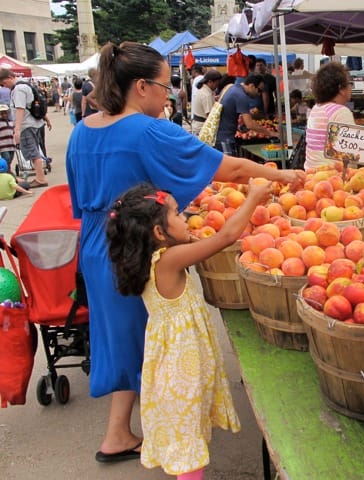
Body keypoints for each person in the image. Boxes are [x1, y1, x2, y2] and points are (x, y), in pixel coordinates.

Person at [65, 41, 305, 465]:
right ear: (141, 87)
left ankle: (118, 432)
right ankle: (168, 432)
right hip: (138, 247)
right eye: (164, 84)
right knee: (155, 341)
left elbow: (79, 198)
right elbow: (225, 167)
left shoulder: (83, 130)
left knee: (122, 336)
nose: (168, 93)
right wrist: (280, 174)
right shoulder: (147, 129)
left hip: (96, 243)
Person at [106, 181, 270, 479]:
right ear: (158, 233)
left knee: (189, 433)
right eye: (178, 215)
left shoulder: (154, 258)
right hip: (181, 369)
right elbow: (227, 237)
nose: (186, 219)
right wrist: (254, 198)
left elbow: (200, 237)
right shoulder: (168, 260)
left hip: (176, 364)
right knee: (188, 449)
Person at [305, 62, 364, 171]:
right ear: (341, 89)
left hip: (312, 176)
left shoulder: (316, 109)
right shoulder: (340, 112)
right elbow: (349, 160)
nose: (350, 87)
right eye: (349, 84)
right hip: (332, 178)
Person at [0, 68, 50, 187]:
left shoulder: (18, 89)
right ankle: (40, 176)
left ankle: (40, 178)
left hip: (26, 125)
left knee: (32, 151)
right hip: (34, 123)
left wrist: (16, 129)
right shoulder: (26, 84)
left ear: (9, 78)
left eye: (4, 83)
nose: (5, 87)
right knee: (35, 150)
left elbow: (20, 109)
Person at [216, 74, 280, 155]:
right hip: (225, 138)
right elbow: (250, 124)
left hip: (220, 136)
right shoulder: (241, 96)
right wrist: (272, 133)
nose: (259, 94)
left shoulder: (231, 87)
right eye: (259, 90)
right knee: (229, 167)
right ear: (252, 86)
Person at [191, 70, 222, 136]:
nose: (217, 86)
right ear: (210, 82)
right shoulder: (206, 95)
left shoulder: (205, 90)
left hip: (198, 125)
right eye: (216, 84)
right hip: (201, 127)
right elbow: (210, 116)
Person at [0, 104, 16, 169]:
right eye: (2, 113)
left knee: (11, 159)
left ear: (8, 113)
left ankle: (8, 170)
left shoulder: (11, 122)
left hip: (11, 145)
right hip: (3, 146)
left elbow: (14, 132)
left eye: (5, 113)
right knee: (7, 159)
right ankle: (8, 171)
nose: (4, 115)